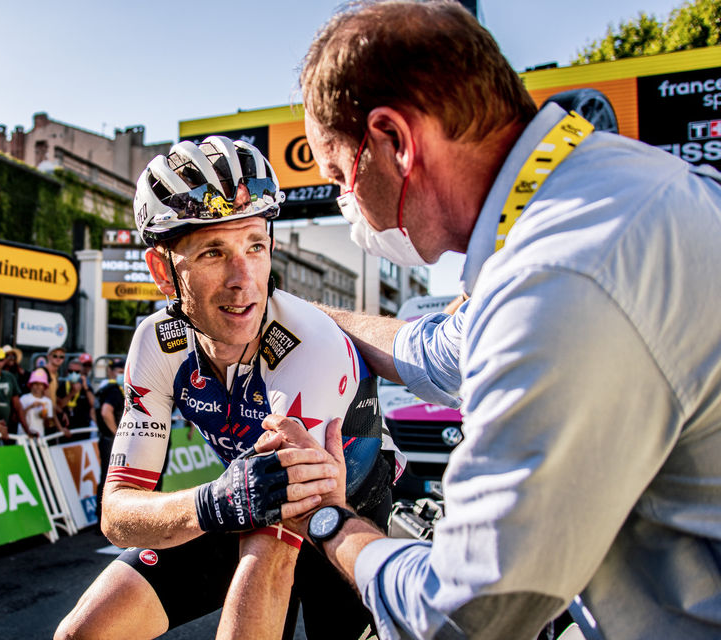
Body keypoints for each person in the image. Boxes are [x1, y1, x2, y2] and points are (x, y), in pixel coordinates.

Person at [258, 2, 721, 639]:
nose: (345, 203)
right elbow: (438, 352)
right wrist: (293, 311)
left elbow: (465, 614)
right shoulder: (600, 192)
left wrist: (332, 521)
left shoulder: (557, 277)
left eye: (339, 173)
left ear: (395, 141)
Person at [56, 137, 400, 640]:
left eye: (255, 246)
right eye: (214, 251)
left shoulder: (308, 348)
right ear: (163, 272)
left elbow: (273, 555)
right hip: (246, 498)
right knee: (82, 635)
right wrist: (209, 503)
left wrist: (225, 503)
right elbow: (117, 511)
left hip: (343, 510)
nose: (244, 280)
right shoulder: (157, 344)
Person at [91, 357, 124, 520]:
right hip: (112, 441)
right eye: (120, 372)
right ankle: (106, 519)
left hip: (105, 438)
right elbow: (105, 412)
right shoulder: (114, 390)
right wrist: (118, 434)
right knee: (112, 480)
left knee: (106, 478)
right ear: (111, 372)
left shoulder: (104, 389)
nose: (123, 375)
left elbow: (95, 411)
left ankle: (103, 518)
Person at [0, 346, 27, 441]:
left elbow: (17, 405)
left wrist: (27, 429)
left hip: (8, 428)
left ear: (4, 361)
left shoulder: (9, 377)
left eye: (0, 360)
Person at [57, 355, 95, 436]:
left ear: (81, 373)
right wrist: (72, 393)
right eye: (71, 371)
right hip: (66, 429)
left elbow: (93, 404)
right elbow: (59, 405)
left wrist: (86, 388)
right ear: (67, 372)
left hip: (82, 429)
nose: (73, 374)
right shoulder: (61, 385)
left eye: (77, 372)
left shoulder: (86, 387)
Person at [18, 369, 62, 438]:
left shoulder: (47, 402)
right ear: (31, 385)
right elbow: (18, 417)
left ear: (44, 386)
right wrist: (30, 406)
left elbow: (47, 425)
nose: (38, 386)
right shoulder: (24, 398)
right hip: (23, 436)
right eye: (35, 383)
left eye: (41, 384)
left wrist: (45, 417)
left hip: (39, 436)